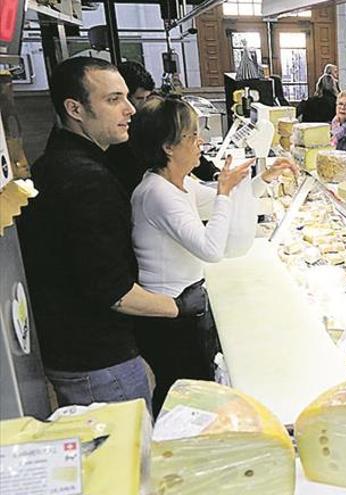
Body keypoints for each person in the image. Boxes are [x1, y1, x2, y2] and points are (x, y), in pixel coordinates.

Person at [17, 57, 207, 412]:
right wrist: (179, 308)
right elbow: (112, 290)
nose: (130, 109)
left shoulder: (62, 161)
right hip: (96, 359)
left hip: (76, 352)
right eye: (113, 99)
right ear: (75, 108)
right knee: (130, 459)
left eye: (126, 97)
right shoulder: (84, 179)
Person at [128, 97, 297, 414]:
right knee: (183, 395)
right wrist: (223, 191)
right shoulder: (157, 193)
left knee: (193, 388)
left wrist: (263, 178)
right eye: (192, 135)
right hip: (169, 313)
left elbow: (221, 202)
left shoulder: (177, 183)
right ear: (168, 146)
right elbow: (210, 248)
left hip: (184, 302)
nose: (200, 141)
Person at [106, 61, 157, 196]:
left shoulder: (146, 116)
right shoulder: (114, 130)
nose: (145, 104)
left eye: (148, 97)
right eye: (140, 98)